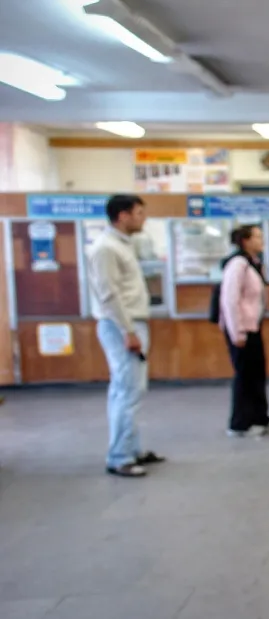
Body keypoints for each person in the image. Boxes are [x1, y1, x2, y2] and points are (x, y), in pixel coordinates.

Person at [88, 194, 166, 478]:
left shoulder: (123, 244)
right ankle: (120, 456)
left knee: (131, 389)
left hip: (131, 324)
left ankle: (132, 449)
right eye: (139, 213)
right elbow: (109, 295)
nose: (143, 218)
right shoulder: (106, 248)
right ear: (122, 216)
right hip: (121, 326)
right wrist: (128, 331)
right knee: (127, 391)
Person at [219, 224, 269, 438]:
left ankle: (260, 417)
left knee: (257, 374)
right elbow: (230, 299)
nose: (261, 240)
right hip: (241, 328)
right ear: (245, 241)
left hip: (254, 325)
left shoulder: (253, 263)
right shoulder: (237, 264)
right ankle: (239, 423)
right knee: (244, 375)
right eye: (257, 237)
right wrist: (237, 332)